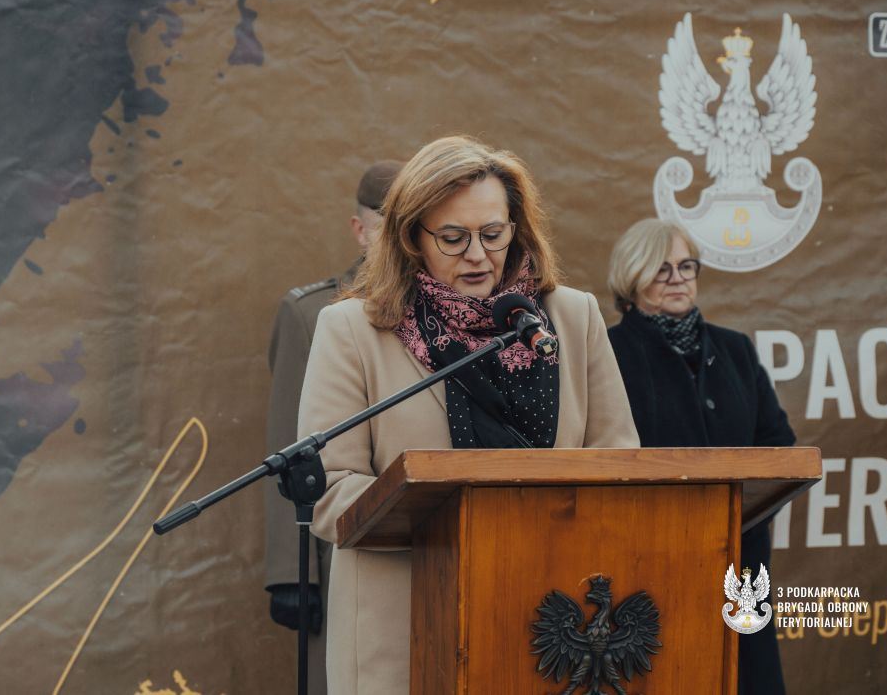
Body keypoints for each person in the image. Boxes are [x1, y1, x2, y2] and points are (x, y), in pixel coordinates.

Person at [298, 136, 639, 694]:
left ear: (516, 229)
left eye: (493, 233)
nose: (478, 255)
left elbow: (620, 464)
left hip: (549, 622)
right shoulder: (353, 330)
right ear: (412, 238)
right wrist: (466, 520)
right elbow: (331, 490)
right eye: (454, 238)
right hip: (407, 630)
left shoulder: (571, 318)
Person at [605, 217, 795, 695]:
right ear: (632, 277)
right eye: (661, 268)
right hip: (650, 561)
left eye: (686, 266)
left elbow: (778, 444)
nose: (678, 278)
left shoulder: (735, 349)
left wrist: (746, 503)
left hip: (740, 560)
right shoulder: (608, 353)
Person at [263, 160, 403, 695]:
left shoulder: (448, 308)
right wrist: (292, 571)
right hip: (341, 541)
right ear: (360, 230)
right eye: (389, 225)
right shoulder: (314, 312)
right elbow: (290, 445)